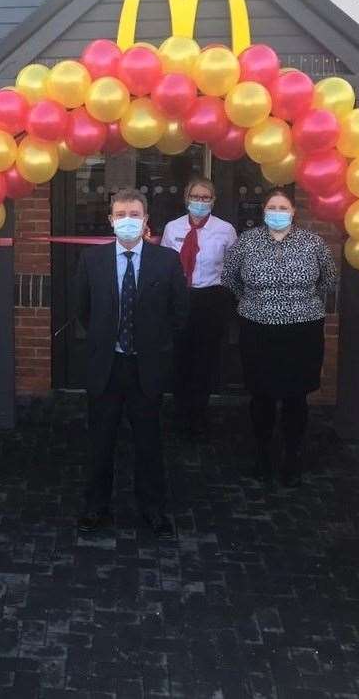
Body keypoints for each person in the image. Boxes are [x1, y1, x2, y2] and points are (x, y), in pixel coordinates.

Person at [73, 188, 189, 538]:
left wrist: (155, 345)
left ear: (145, 220)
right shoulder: (92, 260)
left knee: (149, 444)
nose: (127, 220)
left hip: (146, 366)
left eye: (134, 214)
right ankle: (96, 506)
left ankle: (152, 508)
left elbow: (178, 312)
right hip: (107, 365)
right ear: (110, 220)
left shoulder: (166, 260)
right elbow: (83, 310)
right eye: (120, 214)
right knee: (100, 443)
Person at [221, 188, 337, 487]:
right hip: (258, 329)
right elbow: (230, 279)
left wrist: (299, 303)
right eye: (271, 206)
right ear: (263, 211)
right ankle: (261, 453)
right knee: (261, 395)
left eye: (282, 206)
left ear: (293, 211)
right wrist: (255, 303)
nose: (277, 211)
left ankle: (292, 456)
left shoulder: (313, 243)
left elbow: (329, 279)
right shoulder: (247, 242)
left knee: (295, 396)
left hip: (302, 331)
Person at [161, 176, 237, 437]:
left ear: (213, 201)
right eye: (195, 197)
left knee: (205, 358)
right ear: (186, 199)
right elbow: (166, 265)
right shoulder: (173, 228)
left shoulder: (225, 229)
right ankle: (180, 411)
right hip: (181, 297)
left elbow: (232, 267)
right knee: (180, 356)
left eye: (205, 198)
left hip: (210, 299)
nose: (200, 202)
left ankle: (199, 414)